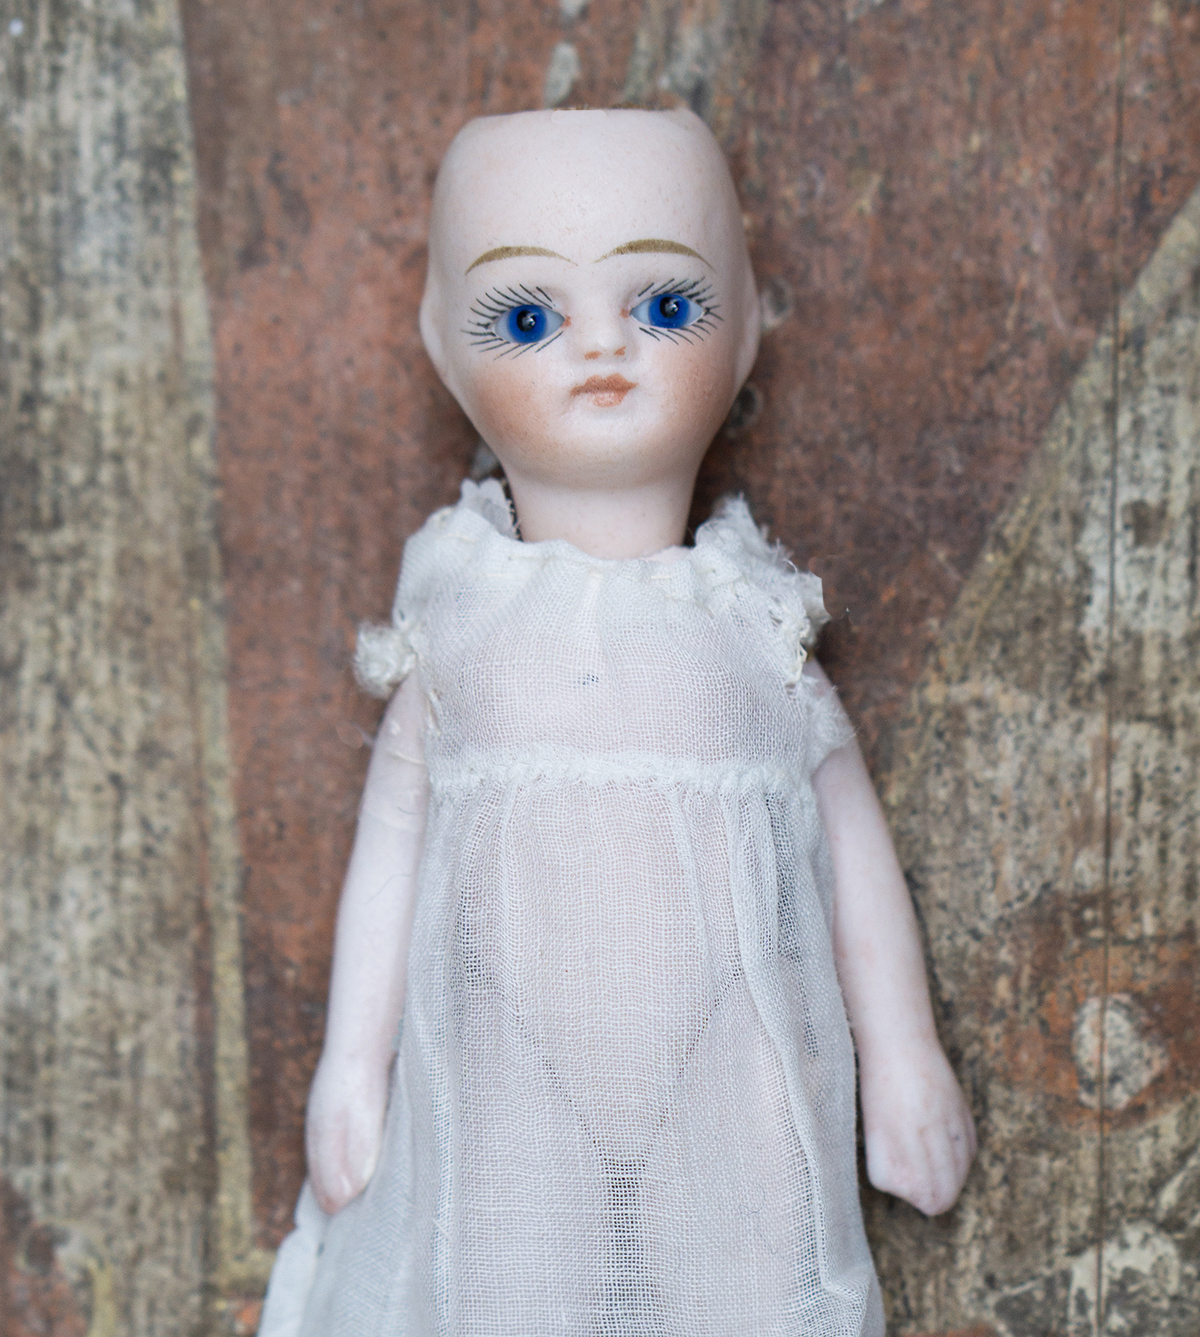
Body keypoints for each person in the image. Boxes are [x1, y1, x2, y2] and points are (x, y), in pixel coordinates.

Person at [259, 107, 975, 1337]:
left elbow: (849, 839)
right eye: (526, 319)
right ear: (441, 344)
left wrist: (906, 1055)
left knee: (757, 1286)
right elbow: (392, 840)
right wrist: (351, 1062)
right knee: (495, 1287)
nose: (603, 347)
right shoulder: (463, 615)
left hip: (732, 1048)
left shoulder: (748, 615)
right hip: (507, 1052)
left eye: (666, 305)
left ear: (745, 331)